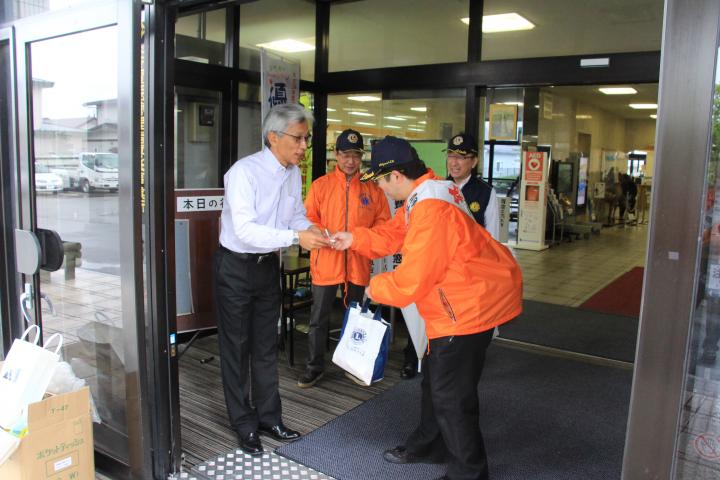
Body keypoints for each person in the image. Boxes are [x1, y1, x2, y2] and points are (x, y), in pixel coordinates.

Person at [332, 136, 523, 480]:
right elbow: (393, 234)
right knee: (436, 382)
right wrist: (354, 239)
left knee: (452, 398)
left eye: (381, 181)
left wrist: (373, 288)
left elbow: (411, 281)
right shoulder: (427, 192)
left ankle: (469, 473)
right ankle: (431, 444)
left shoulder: (431, 208)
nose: (383, 191)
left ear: (397, 175)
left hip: (465, 310)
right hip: (461, 302)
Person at [213, 103, 329, 456]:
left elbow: (294, 214)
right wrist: (296, 238)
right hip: (235, 266)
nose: (303, 146)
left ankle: (269, 417)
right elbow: (245, 231)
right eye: (298, 138)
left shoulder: (292, 172)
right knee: (237, 348)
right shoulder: (243, 173)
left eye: (306, 138)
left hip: (266, 268)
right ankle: (244, 423)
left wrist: (312, 230)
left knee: (266, 345)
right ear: (273, 137)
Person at [297, 129, 390, 388]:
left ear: (362, 157)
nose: (350, 160)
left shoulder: (372, 189)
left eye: (356, 155)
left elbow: (384, 223)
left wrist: (361, 236)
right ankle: (314, 367)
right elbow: (307, 218)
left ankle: (353, 364)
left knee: (356, 318)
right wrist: (324, 235)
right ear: (336, 154)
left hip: (358, 263)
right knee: (319, 319)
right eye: (346, 154)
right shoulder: (321, 186)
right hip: (326, 261)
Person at [446, 133, 500, 239]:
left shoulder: (486, 192)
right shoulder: (440, 187)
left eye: (461, 157)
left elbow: (492, 236)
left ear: (474, 162)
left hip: (473, 254)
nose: (454, 163)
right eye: (451, 156)